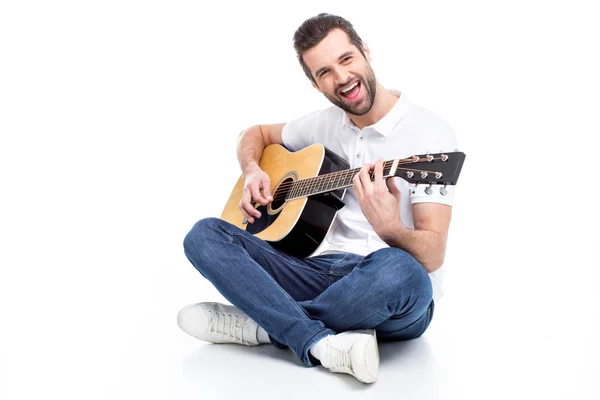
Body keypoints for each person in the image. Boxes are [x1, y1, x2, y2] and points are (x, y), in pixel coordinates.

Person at [178, 13, 458, 384]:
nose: (342, 78)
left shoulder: (429, 134)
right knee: (204, 235)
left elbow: (433, 254)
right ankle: (320, 341)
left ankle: (261, 324)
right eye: (325, 72)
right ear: (314, 84)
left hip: (385, 289)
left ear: (366, 52)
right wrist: (252, 171)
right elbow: (255, 132)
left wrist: (390, 227)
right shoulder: (321, 125)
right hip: (315, 272)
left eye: (346, 59)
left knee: (402, 271)